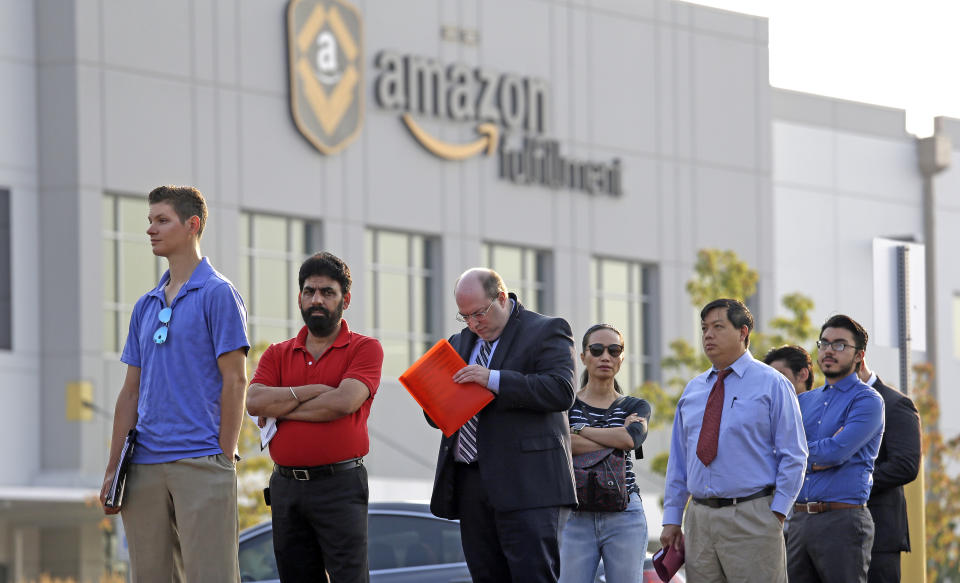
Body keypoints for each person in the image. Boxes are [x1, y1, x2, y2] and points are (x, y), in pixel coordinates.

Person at [99, 185, 249, 582]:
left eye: (161, 220)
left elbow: (235, 380)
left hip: (201, 461)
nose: (151, 229)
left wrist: (223, 455)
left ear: (192, 225)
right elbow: (130, 391)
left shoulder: (219, 294)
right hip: (144, 467)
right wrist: (114, 468)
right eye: (150, 221)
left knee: (211, 576)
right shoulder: (145, 305)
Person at [427, 268, 577, 583]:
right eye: (464, 316)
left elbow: (561, 390)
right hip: (470, 482)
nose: (473, 323)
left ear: (502, 297)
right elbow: (438, 416)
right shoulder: (459, 342)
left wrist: (493, 379)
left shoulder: (546, 330)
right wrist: (432, 395)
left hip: (529, 485)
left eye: (479, 313)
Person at [246, 252, 383, 583]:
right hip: (286, 487)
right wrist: (314, 390)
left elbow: (343, 403)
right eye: (309, 292)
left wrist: (282, 406)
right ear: (299, 297)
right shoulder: (277, 353)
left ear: (345, 299)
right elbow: (253, 402)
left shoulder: (365, 349)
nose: (316, 300)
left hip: (339, 486)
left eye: (327, 292)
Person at [660, 298, 807, 583]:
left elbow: (794, 454)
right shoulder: (693, 390)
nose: (708, 335)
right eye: (704, 328)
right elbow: (679, 460)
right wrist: (672, 517)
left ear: (743, 333)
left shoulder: (772, 383)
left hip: (753, 516)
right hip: (699, 519)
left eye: (718, 327)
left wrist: (776, 514)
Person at [787, 315, 884, 583]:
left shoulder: (868, 401)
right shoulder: (803, 401)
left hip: (842, 521)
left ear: (859, 355)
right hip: (797, 521)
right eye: (825, 343)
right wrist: (816, 456)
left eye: (840, 345)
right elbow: (781, 452)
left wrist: (805, 456)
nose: (829, 350)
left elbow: (835, 452)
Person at [559, 324, 651, 583]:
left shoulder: (635, 405)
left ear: (622, 357)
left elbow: (630, 439)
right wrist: (615, 440)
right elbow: (563, 445)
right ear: (583, 357)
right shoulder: (564, 404)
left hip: (625, 513)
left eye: (614, 350)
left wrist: (579, 430)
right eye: (597, 350)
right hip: (575, 513)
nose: (605, 357)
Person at [858, 357, 921, 583]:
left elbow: (905, 465)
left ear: (860, 359)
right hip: (835, 534)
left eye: (840, 346)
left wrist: (851, 483)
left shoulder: (894, 403)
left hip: (879, 535)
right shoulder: (831, 403)